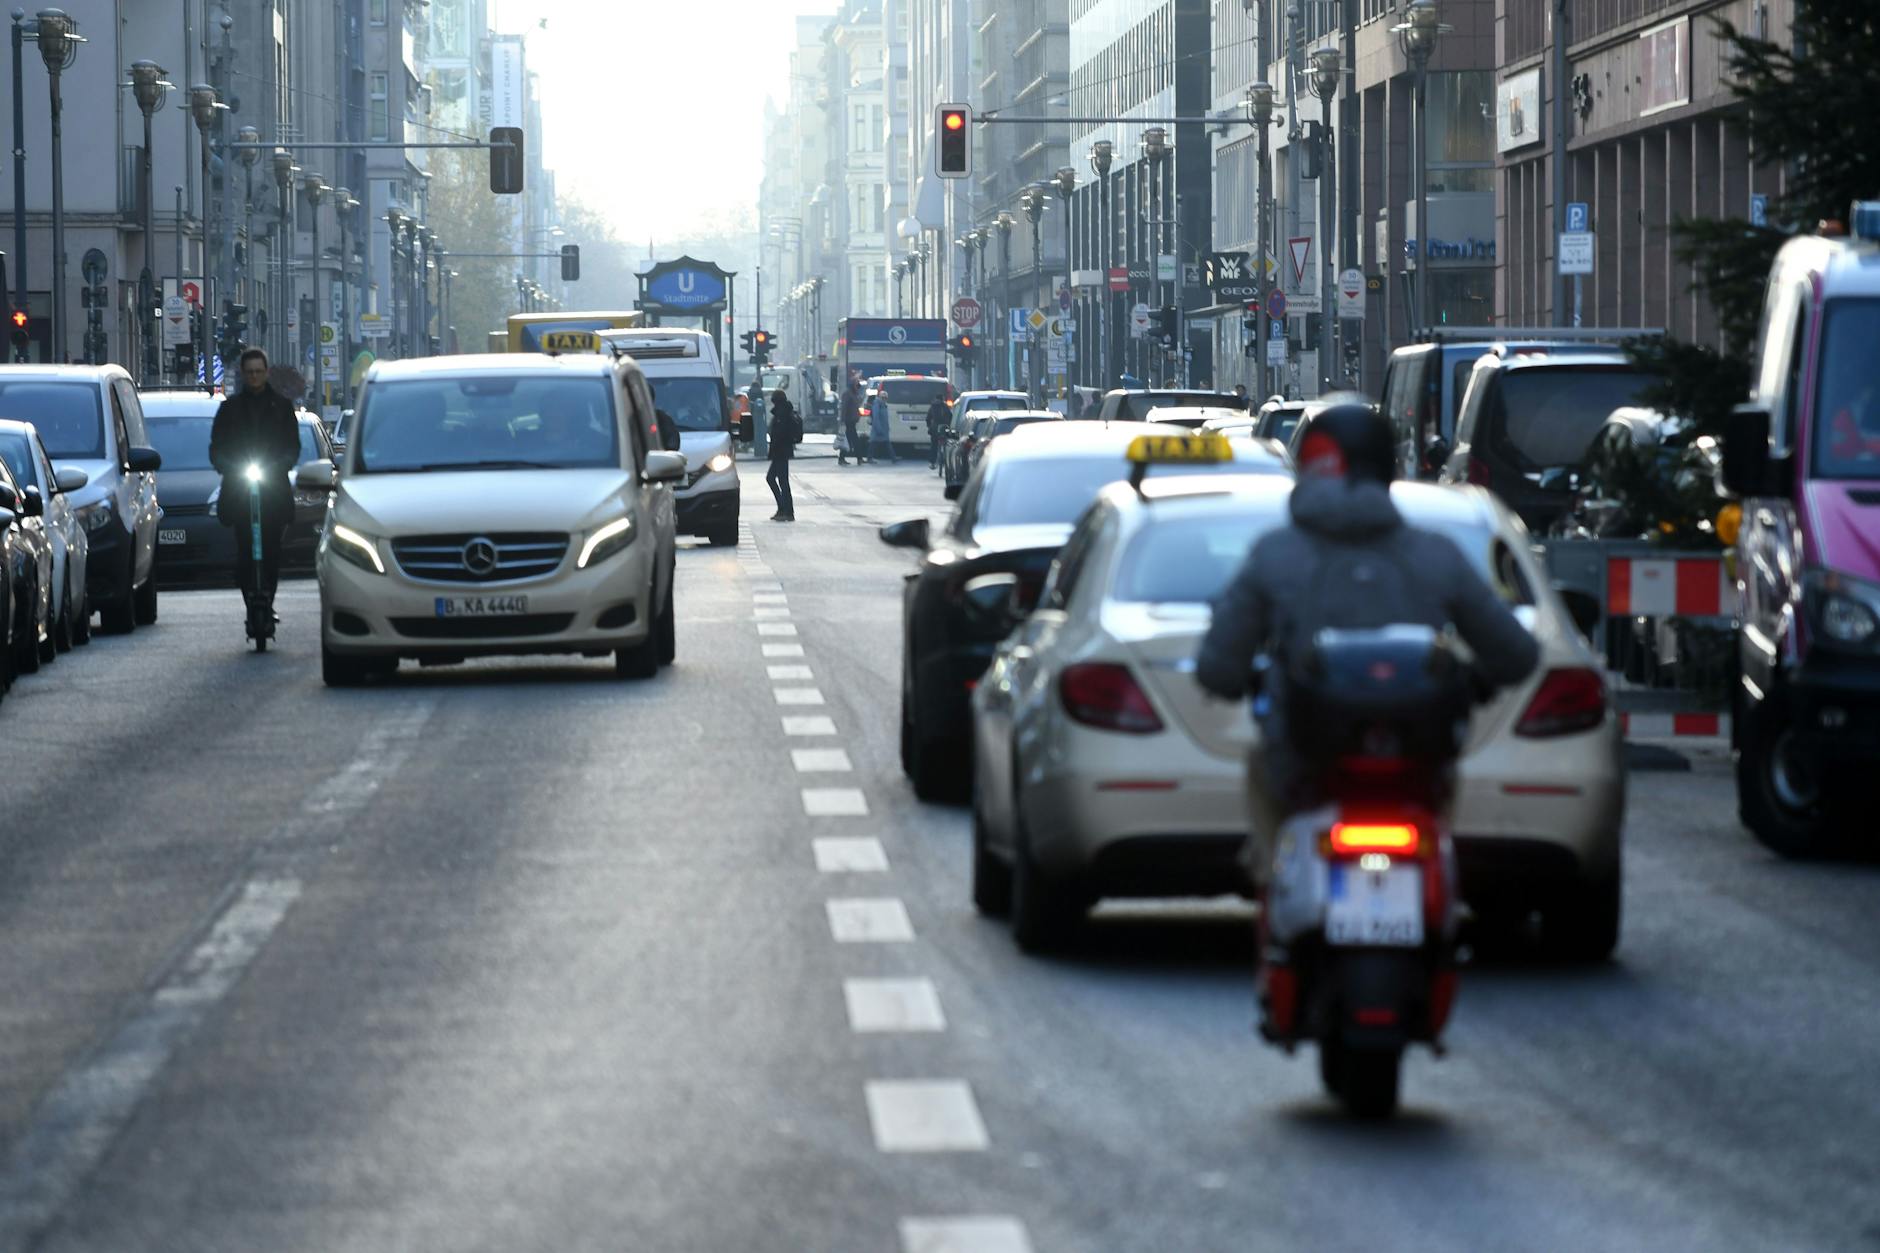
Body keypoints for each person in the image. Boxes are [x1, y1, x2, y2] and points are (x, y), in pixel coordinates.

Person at [1195, 396, 1540, 885]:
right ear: (1388, 468)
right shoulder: (1435, 555)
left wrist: (1247, 680)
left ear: (1309, 466)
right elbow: (1516, 654)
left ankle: (1274, 879)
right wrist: (1473, 680)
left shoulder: (1275, 556)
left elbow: (1218, 667)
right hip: (1417, 765)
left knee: (1261, 765)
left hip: (1304, 767)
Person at [209, 347, 301, 635]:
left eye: (259, 372)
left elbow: (292, 447)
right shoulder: (230, 409)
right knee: (245, 551)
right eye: (249, 372)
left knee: (271, 550)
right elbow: (217, 448)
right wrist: (229, 467)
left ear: (266, 373)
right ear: (243, 374)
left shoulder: (281, 407)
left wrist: (279, 466)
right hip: (240, 490)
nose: (254, 377)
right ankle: (250, 600)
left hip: (273, 490)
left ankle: (268, 598)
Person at [766, 388, 800, 521]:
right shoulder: (784, 412)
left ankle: (786, 510)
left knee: (781, 481)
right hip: (781, 452)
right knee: (776, 479)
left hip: (780, 452)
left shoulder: (782, 414)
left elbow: (779, 434)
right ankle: (783, 508)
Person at [838, 379, 866, 466]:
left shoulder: (854, 394)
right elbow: (844, 408)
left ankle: (842, 458)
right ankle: (859, 458)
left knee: (849, 440)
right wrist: (842, 420)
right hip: (848, 420)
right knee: (854, 440)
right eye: (857, 386)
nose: (858, 388)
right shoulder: (847, 394)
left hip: (852, 420)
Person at [925, 393, 950, 469]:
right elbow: (950, 416)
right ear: (942, 399)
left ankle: (932, 462)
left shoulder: (932, 406)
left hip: (934, 429)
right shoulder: (945, 406)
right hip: (944, 428)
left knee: (934, 445)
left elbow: (928, 418)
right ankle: (946, 460)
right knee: (946, 443)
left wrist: (929, 426)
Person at [869, 394, 896, 463]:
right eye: (883, 398)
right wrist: (878, 428)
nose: (885, 399)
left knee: (883, 443)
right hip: (878, 428)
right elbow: (876, 417)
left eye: (886, 398)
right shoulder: (877, 404)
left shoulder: (883, 405)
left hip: (883, 428)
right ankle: (870, 458)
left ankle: (893, 458)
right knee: (874, 443)